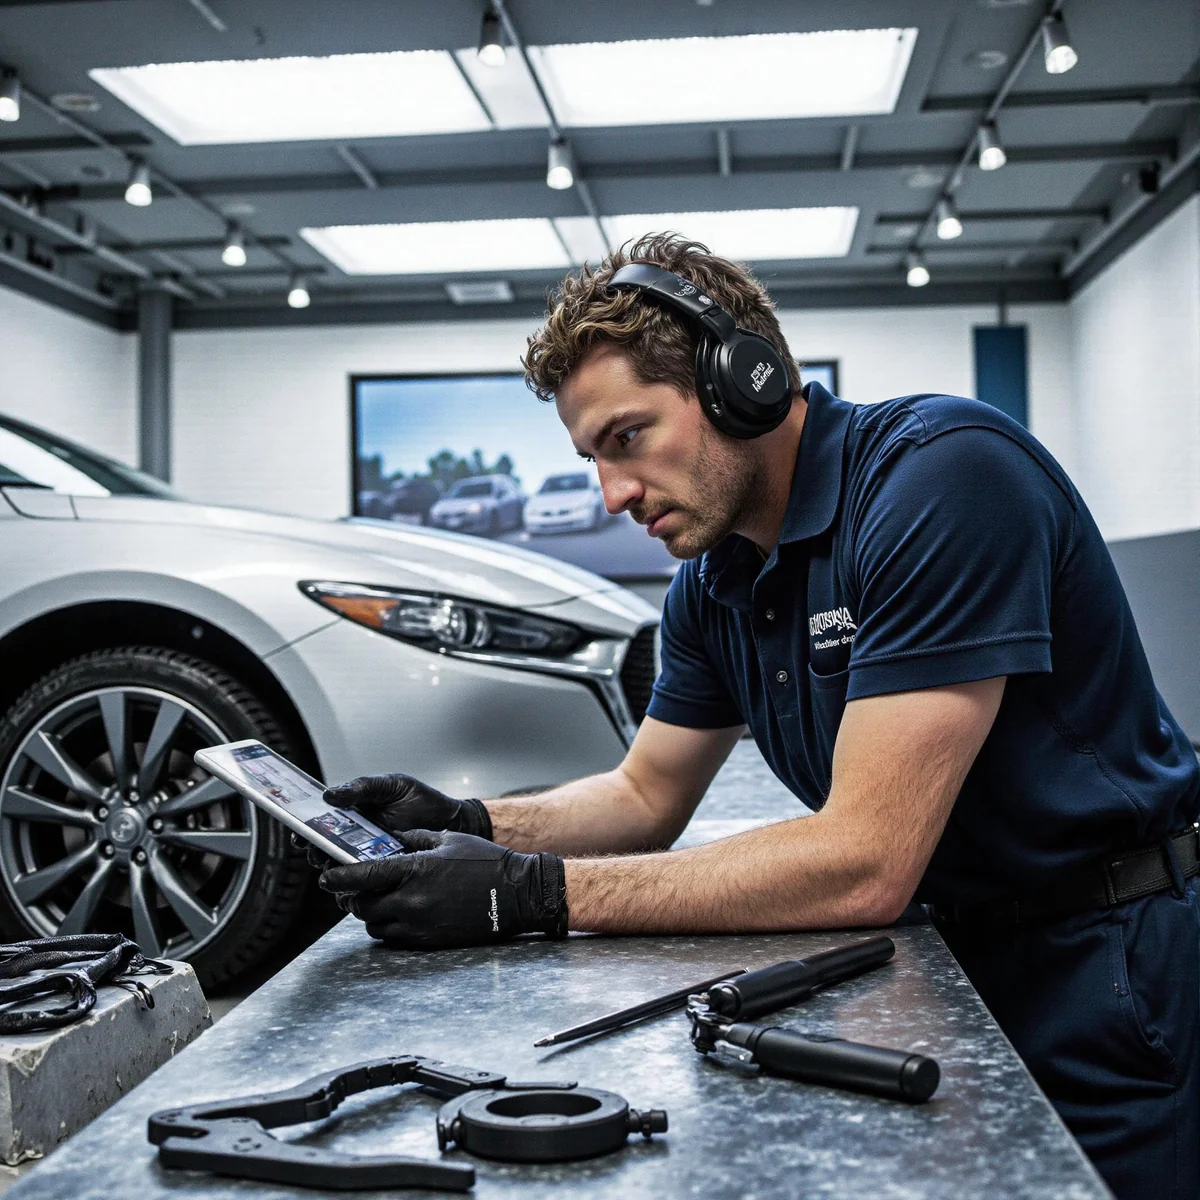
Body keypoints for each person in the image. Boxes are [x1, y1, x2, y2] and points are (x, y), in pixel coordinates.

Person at [317, 233, 1199, 1199]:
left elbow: (866, 859)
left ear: (745, 380)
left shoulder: (941, 479)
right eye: (590, 457)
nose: (613, 494)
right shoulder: (713, 581)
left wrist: (528, 894)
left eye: (628, 438)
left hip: (1106, 968)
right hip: (949, 961)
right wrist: (470, 822)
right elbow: (644, 793)